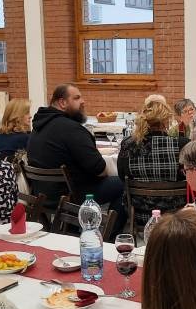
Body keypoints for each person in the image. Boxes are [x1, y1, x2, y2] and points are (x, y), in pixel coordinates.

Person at [27, 83, 126, 233]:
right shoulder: (71, 129)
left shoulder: (38, 126)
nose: (83, 101)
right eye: (77, 98)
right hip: (70, 196)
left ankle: (72, 230)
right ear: (62, 102)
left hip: (42, 194)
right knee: (123, 184)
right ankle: (109, 236)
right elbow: (100, 169)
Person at [118, 99, 189, 225]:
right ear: (166, 121)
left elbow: (122, 176)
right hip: (176, 215)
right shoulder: (182, 144)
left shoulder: (128, 144)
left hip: (139, 214)